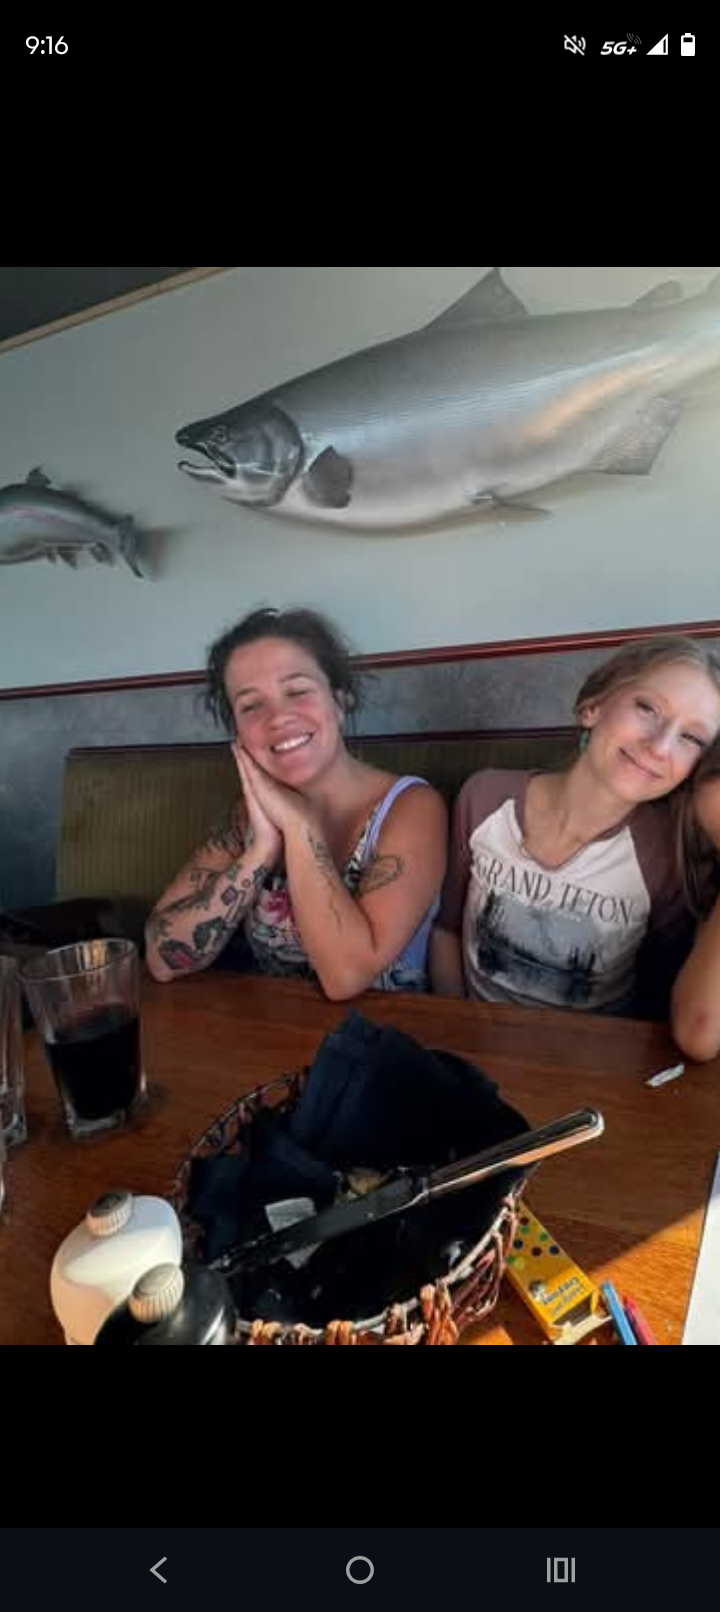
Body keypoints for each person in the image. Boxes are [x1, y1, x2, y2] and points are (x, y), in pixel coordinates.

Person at [430, 635, 720, 1060]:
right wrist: (458, 1038)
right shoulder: (484, 796)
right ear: (592, 707)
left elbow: (658, 1003)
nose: (659, 746)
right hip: (468, 1054)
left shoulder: (666, 857)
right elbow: (447, 929)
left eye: (691, 738)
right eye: (647, 708)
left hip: (585, 1071)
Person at [145, 607, 447, 999]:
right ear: (238, 733)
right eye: (251, 705)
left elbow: (345, 978)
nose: (278, 717)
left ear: (340, 701)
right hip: (271, 1029)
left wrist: (299, 827)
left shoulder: (413, 807)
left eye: (298, 691)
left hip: (382, 1033)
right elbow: (162, 959)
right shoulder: (248, 815)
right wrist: (260, 851)